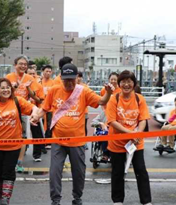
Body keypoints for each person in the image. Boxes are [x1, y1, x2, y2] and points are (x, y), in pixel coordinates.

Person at [31, 63, 114, 205]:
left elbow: (101, 101)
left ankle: (77, 198)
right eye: (66, 80)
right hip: (58, 140)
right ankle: (55, 200)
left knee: (79, 172)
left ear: (77, 78)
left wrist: (108, 93)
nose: (69, 83)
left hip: (78, 141)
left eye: (72, 79)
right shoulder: (54, 90)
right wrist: (36, 116)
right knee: (55, 172)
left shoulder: (83, 91)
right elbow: (44, 108)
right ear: (61, 78)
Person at [106, 70, 152, 205]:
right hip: (117, 142)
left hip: (136, 142)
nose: (126, 84)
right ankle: (118, 200)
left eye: (129, 81)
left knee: (141, 170)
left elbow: (143, 119)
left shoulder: (139, 98)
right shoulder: (114, 99)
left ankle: (146, 201)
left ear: (134, 83)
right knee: (117, 172)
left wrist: (137, 134)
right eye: (123, 81)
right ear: (119, 83)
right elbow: (112, 121)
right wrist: (129, 133)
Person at [5, 55, 38, 172]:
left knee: (23, 137)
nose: (23, 66)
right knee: (9, 136)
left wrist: (28, 88)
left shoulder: (29, 77)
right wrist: (13, 88)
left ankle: (19, 163)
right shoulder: (9, 77)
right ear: (15, 65)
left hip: (23, 111)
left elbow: (35, 96)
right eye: (21, 64)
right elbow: (3, 93)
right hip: (9, 111)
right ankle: (9, 162)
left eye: (25, 64)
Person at [26, 67, 46, 161]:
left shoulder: (38, 86)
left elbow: (41, 100)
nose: (32, 76)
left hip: (35, 113)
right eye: (30, 73)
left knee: (36, 134)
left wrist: (33, 96)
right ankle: (23, 150)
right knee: (22, 134)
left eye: (33, 73)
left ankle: (37, 155)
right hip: (23, 113)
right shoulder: (21, 85)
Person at [41, 64, 54, 149]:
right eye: (46, 71)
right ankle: (41, 142)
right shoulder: (39, 81)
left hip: (50, 107)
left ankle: (48, 141)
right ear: (43, 72)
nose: (48, 73)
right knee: (41, 124)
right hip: (41, 106)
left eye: (50, 71)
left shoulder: (53, 82)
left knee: (50, 124)